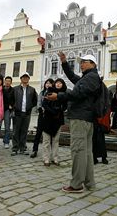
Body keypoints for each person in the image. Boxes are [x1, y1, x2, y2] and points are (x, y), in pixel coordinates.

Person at [46, 52, 100, 193]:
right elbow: (72, 77)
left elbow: (77, 94)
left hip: (80, 118)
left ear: (93, 64)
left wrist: (58, 96)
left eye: (84, 62)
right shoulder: (88, 77)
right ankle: (89, 182)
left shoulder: (92, 77)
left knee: (77, 151)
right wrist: (64, 62)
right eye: (80, 62)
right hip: (85, 118)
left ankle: (76, 185)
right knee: (86, 152)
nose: (81, 64)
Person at [42, 78, 67, 166]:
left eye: (60, 83)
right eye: (57, 83)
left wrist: (59, 110)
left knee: (56, 140)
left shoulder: (64, 94)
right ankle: (46, 158)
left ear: (63, 85)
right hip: (48, 118)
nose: (58, 84)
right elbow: (44, 104)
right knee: (46, 140)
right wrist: (52, 111)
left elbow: (65, 106)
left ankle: (55, 158)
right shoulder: (49, 91)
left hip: (58, 119)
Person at [11, 72, 38, 156]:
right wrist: (14, 107)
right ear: (21, 79)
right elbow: (11, 99)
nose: (25, 79)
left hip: (27, 113)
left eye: (27, 77)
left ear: (29, 79)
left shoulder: (32, 90)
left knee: (24, 131)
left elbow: (35, 100)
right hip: (17, 113)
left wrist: (29, 107)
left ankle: (23, 148)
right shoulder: (15, 89)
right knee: (16, 131)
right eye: (24, 77)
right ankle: (15, 148)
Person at [31, 78, 54, 158]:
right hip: (42, 115)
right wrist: (40, 109)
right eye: (47, 83)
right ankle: (35, 150)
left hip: (50, 116)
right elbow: (38, 102)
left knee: (50, 134)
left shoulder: (54, 93)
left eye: (50, 83)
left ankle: (50, 152)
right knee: (38, 133)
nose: (48, 84)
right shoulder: (42, 92)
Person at [2, 76, 15, 149]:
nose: (7, 82)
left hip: (7, 111)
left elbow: (14, 100)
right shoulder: (1, 89)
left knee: (7, 127)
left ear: (11, 82)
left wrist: (12, 106)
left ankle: (6, 142)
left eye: (9, 81)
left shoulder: (13, 90)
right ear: (4, 81)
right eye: (6, 81)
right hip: (0, 110)